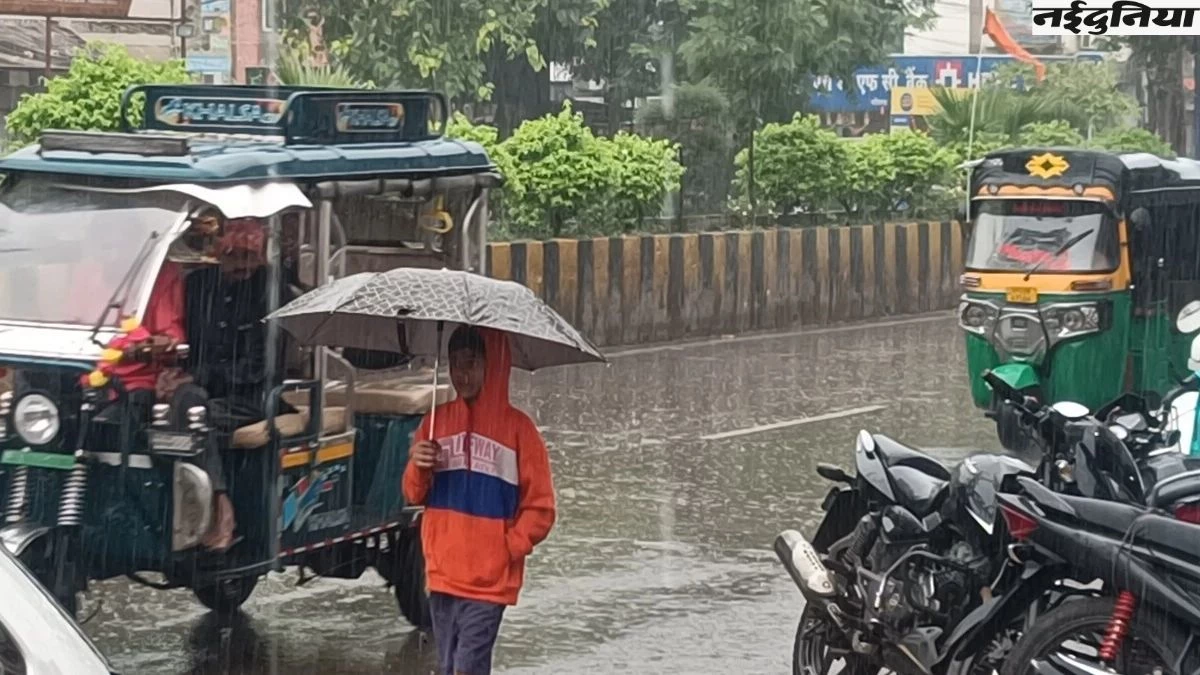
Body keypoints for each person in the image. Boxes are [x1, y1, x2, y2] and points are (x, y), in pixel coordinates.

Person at [402, 326, 557, 675]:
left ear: (494, 365)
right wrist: (418, 466)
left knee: (467, 666)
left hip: (489, 582)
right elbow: (413, 494)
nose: (462, 375)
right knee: (448, 665)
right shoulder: (434, 424)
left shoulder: (520, 431)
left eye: (471, 363)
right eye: (455, 364)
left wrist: (506, 548)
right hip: (442, 573)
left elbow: (541, 509)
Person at [184, 217, 296, 551]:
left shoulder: (273, 290)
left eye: (249, 257)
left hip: (255, 396)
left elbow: (261, 367)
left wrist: (201, 376)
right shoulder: (198, 286)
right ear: (219, 254)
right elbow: (188, 344)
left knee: (196, 416)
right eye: (233, 256)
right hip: (202, 392)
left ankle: (222, 508)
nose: (241, 266)